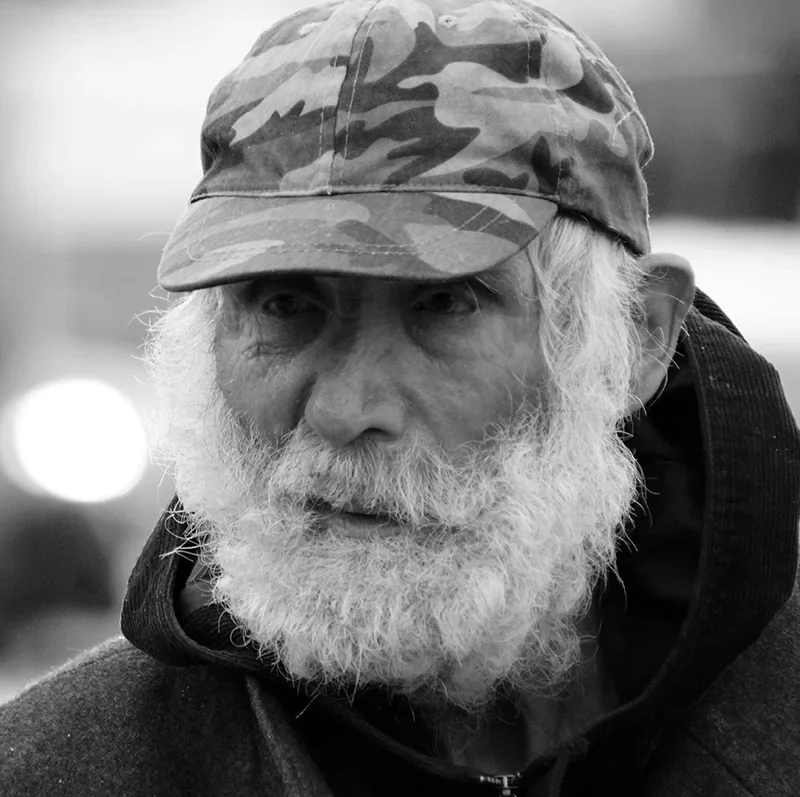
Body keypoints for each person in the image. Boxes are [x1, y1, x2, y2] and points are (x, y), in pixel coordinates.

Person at [2, 1, 799, 794]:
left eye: (444, 303)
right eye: (284, 304)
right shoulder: (50, 771)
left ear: (636, 337)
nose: (346, 411)